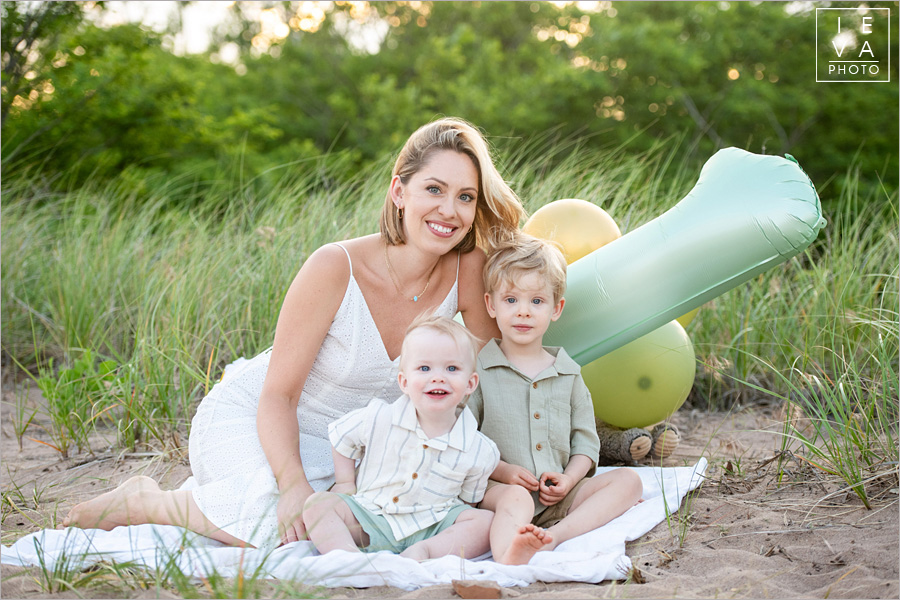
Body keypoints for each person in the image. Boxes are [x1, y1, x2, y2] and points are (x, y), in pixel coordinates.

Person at [63, 117, 526, 549]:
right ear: (399, 192)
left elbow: (492, 372)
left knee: (352, 522)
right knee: (281, 523)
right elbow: (277, 396)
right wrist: (292, 485)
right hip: (265, 418)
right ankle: (151, 502)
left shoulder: (468, 270)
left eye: (466, 197)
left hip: (358, 445)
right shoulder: (334, 266)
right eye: (434, 189)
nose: (450, 210)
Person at [468, 235, 643, 565]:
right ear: (491, 305)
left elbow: (586, 445)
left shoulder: (569, 373)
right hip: (500, 492)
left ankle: (553, 538)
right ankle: (510, 557)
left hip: (558, 499)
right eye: (511, 300)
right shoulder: (479, 370)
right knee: (516, 499)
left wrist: (569, 480)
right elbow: (464, 439)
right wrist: (502, 471)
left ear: (556, 308)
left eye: (536, 301)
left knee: (629, 481)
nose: (523, 311)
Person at [302, 314, 498, 560]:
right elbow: (341, 435)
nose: (438, 377)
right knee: (316, 504)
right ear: (404, 382)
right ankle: (348, 557)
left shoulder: (480, 449)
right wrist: (345, 482)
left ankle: (426, 552)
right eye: (424, 368)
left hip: (432, 526)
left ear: (470, 383)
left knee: (485, 521)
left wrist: (453, 528)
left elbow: (469, 502)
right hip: (370, 517)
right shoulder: (379, 417)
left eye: (452, 368)